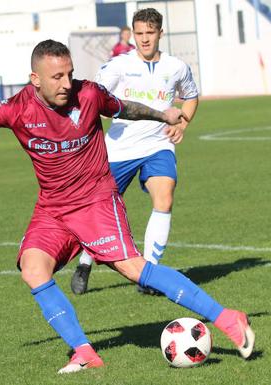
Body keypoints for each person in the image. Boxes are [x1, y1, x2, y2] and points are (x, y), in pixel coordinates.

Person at [0, 39, 254, 374]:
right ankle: (85, 353)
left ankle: (227, 319)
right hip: (53, 209)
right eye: (57, 76)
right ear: (35, 79)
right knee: (33, 268)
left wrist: (163, 114)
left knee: (133, 269)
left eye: (69, 73)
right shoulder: (17, 107)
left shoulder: (89, 94)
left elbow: (125, 107)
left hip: (96, 201)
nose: (67, 82)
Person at [72, 8, 199, 296]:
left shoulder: (176, 67)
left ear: (160, 34)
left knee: (164, 197)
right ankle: (85, 261)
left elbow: (191, 97)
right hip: (119, 148)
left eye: (150, 33)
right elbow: (95, 97)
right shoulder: (118, 65)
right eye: (139, 33)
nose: (144, 39)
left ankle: (150, 273)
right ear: (133, 33)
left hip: (158, 146)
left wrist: (184, 124)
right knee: (99, 209)